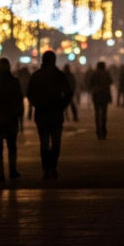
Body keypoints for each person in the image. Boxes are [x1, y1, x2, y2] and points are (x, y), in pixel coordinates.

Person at [27, 51, 72, 179]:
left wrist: (37, 104)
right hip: (56, 113)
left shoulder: (37, 75)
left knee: (44, 143)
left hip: (42, 113)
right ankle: (53, 167)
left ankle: (46, 168)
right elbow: (68, 92)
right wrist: (62, 105)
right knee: (56, 142)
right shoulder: (59, 76)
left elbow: (30, 93)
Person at [89, 62, 113, 139]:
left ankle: (98, 130)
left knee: (97, 113)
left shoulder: (94, 73)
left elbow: (90, 82)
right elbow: (110, 81)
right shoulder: (106, 73)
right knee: (104, 113)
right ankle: (103, 130)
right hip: (105, 95)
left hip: (96, 95)